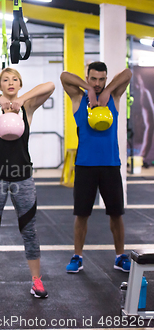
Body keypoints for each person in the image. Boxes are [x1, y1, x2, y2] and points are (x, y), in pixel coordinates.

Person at [0, 68, 55, 299]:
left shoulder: (27, 108)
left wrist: (23, 99)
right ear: (0, 85)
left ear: (20, 83)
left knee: (29, 231)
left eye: (15, 79)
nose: (11, 82)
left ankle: (36, 281)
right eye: (5, 80)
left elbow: (50, 86)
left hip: (23, 177)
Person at [60, 61, 132, 273]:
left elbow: (127, 73)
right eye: (94, 79)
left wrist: (108, 90)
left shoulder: (114, 98)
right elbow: (64, 75)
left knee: (116, 214)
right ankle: (77, 256)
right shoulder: (78, 99)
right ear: (88, 77)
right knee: (82, 214)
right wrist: (88, 88)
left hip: (110, 165)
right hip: (85, 165)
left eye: (102, 79)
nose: (98, 83)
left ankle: (119, 256)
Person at [136, 73, 154, 167]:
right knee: (149, 126)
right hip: (143, 102)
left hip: (145, 100)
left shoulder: (145, 91)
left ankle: (142, 156)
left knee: (149, 126)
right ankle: (142, 156)